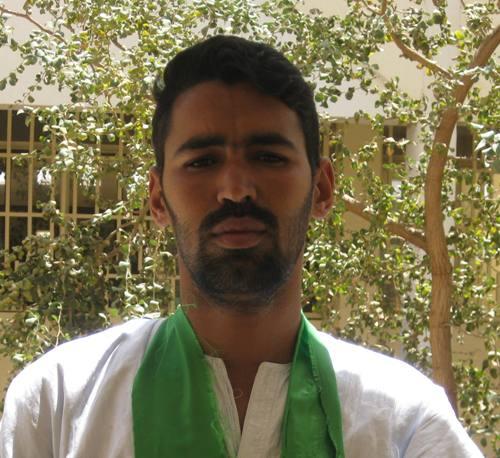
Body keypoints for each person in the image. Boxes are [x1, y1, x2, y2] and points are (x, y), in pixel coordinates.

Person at [0, 35, 483, 458]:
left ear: (321, 189)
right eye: (202, 161)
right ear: (158, 198)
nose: (235, 189)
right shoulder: (58, 404)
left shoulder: (404, 421)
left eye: (268, 156)